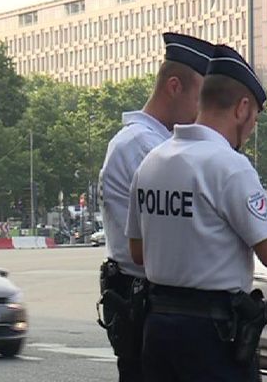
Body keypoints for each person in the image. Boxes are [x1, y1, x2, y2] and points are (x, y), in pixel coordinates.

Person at [125, 44, 267, 382]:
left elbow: (138, 252)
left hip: (158, 329)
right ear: (243, 108)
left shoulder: (152, 161)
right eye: (255, 118)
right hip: (213, 335)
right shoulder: (230, 167)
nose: (252, 127)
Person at [97, 32, 215, 382]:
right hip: (146, 300)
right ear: (174, 86)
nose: (206, 112)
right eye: (202, 98)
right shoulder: (143, 146)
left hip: (151, 300)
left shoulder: (156, 143)